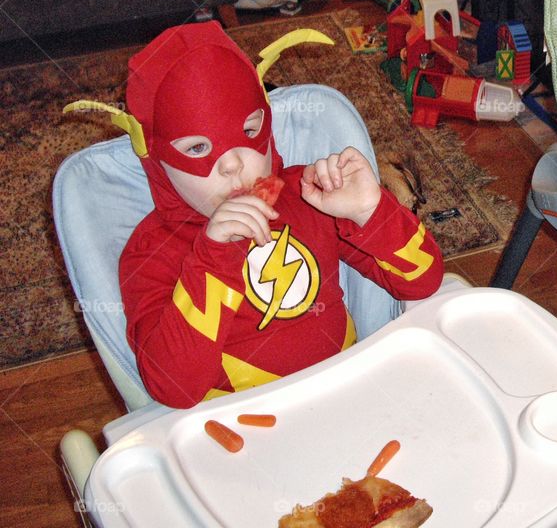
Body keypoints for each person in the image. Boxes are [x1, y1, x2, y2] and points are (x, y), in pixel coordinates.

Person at [95, 22, 443, 407]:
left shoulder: (310, 193)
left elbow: (423, 282)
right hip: (242, 433)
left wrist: (370, 209)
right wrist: (212, 259)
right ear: (155, 160)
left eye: (248, 130)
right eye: (196, 149)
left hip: (352, 398)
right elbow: (174, 389)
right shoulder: (152, 251)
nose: (232, 165)